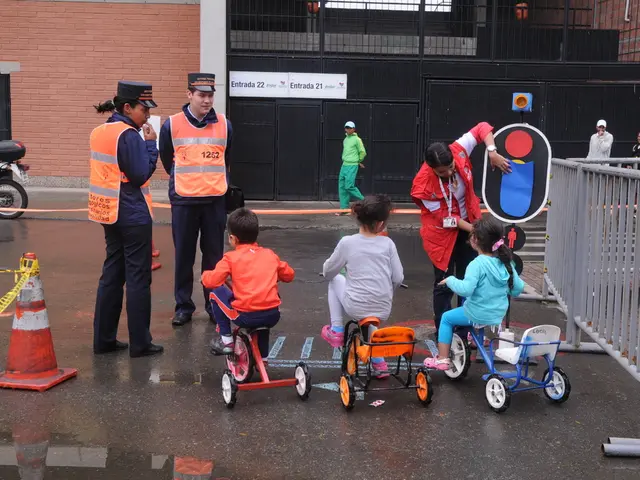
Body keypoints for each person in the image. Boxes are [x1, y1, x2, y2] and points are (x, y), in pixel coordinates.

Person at [411, 122, 511, 335]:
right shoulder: (423, 185)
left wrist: (492, 152)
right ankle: (444, 333)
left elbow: (482, 128)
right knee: (444, 284)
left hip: (469, 227)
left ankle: (466, 331)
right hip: (441, 234)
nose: (448, 173)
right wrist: (476, 229)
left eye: (451, 167)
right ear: (431, 168)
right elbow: (448, 219)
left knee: (470, 279)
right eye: (442, 172)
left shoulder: (459, 149)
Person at [89, 81, 163, 358]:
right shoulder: (130, 135)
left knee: (112, 275)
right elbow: (140, 174)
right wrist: (151, 145)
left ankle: (104, 339)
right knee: (138, 279)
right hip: (132, 214)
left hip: (107, 211)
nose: (147, 114)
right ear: (127, 107)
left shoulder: (100, 131)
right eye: (144, 108)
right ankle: (141, 344)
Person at [159, 73, 233, 328]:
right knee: (184, 257)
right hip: (184, 200)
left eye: (210, 95)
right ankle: (183, 306)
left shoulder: (224, 124)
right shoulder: (172, 124)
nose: (207, 100)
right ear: (189, 94)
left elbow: (227, 157)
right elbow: (168, 158)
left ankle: (214, 304)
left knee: (214, 257)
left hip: (214, 201)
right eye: (201, 95)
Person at [424, 216, 525, 370]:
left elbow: (466, 289)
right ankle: (475, 336)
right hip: (498, 314)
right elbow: (517, 289)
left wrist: (451, 280)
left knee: (446, 318)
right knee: (474, 305)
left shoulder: (476, 264)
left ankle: (442, 358)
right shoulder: (506, 262)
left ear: (475, 240)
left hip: (478, 314)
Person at [320, 194, 404, 378]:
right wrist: (386, 290)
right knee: (370, 312)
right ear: (382, 223)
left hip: (356, 305)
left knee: (335, 279)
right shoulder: (388, 244)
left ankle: (337, 330)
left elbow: (328, 271)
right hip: (383, 306)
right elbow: (398, 277)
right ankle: (378, 362)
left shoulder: (348, 243)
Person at [201, 208, 295, 357]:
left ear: (233, 238)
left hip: (246, 316)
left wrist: (205, 275)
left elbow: (212, 281)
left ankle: (226, 340)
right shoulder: (269, 255)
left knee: (215, 293)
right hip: (272, 315)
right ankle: (262, 358)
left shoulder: (230, 258)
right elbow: (289, 275)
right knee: (264, 304)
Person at [337, 121, 366, 215]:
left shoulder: (357, 139)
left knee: (349, 186)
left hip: (352, 165)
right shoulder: (345, 139)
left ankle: (365, 201)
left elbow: (362, 152)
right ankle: (344, 210)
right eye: (346, 127)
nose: (348, 129)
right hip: (344, 165)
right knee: (342, 187)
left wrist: (358, 161)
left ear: (354, 129)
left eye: (350, 128)